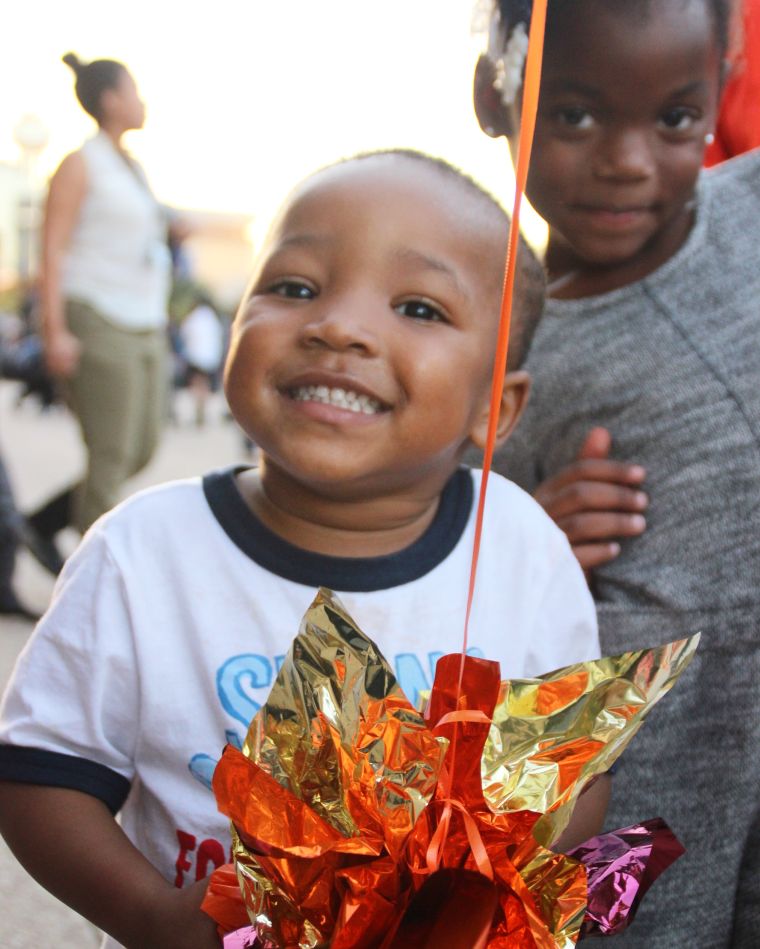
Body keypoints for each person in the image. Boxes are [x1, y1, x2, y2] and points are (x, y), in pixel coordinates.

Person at [0, 151, 604, 949]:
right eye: (294, 288)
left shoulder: (522, 549)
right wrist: (150, 916)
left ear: (496, 406)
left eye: (418, 307)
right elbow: (40, 774)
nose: (338, 326)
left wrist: (494, 889)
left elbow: (578, 773)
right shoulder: (140, 555)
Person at [473, 1, 759, 946]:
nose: (626, 159)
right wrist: (528, 535)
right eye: (576, 114)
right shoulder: (489, 355)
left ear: (720, 90)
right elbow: (436, 570)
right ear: (496, 95)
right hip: (644, 812)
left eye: (674, 119)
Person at [30, 52, 172, 563]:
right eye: (133, 89)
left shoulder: (131, 167)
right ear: (111, 100)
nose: (141, 100)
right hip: (97, 315)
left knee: (143, 447)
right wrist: (54, 330)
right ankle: (92, 587)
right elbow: (51, 249)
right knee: (109, 459)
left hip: (144, 320)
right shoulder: (79, 162)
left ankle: (39, 522)